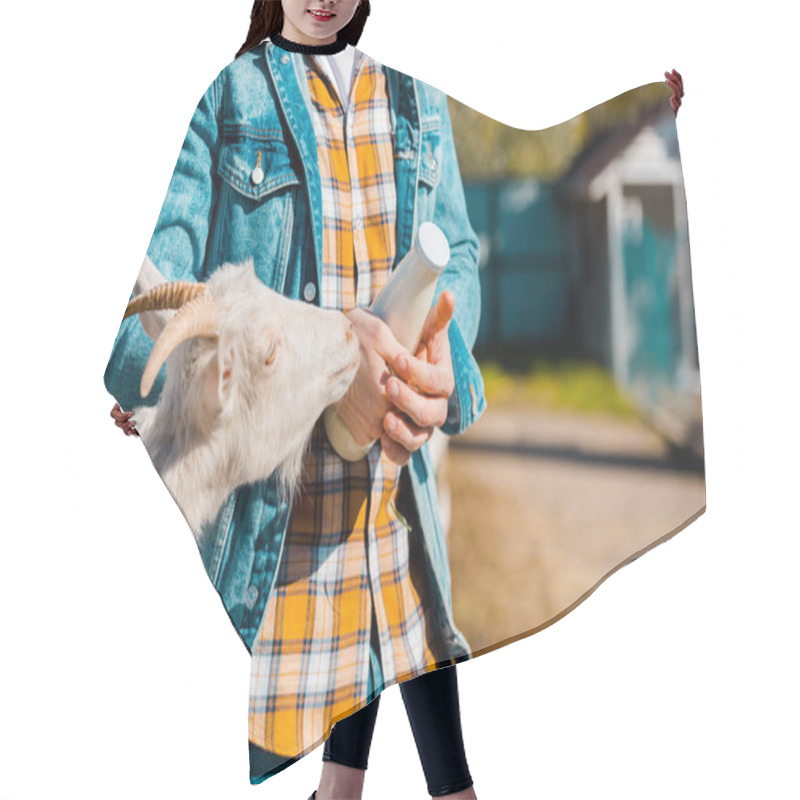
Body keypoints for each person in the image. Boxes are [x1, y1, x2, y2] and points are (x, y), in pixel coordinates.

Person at [107, 2, 685, 797]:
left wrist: (444, 348)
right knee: (339, 771)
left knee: (419, 713)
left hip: (396, 502)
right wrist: (168, 393)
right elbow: (137, 312)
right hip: (286, 537)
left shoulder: (416, 93)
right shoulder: (229, 98)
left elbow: (463, 256)